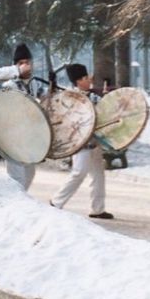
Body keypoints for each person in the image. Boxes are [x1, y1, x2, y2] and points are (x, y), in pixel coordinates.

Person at [49, 64, 113, 219]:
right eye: (84, 78)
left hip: (95, 142)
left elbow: (105, 111)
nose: (88, 80)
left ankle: (97, 209)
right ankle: (56, 201)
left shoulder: (93, 96)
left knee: (98, 175)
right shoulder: (71, 98)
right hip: (80, 142)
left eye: (87, 77)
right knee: (79, 173)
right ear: (77, 81)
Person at [1, 43, 48, 190]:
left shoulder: (35, 84)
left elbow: (47, 98)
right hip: (13, 137)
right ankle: (14, 206)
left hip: (29, 137)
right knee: (16, 177)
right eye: (21, 63)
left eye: (27, 62)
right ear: (15, 66)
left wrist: (52, 85)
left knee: (29, 173)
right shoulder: (9, 85)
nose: (25, 66)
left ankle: (21, 203)